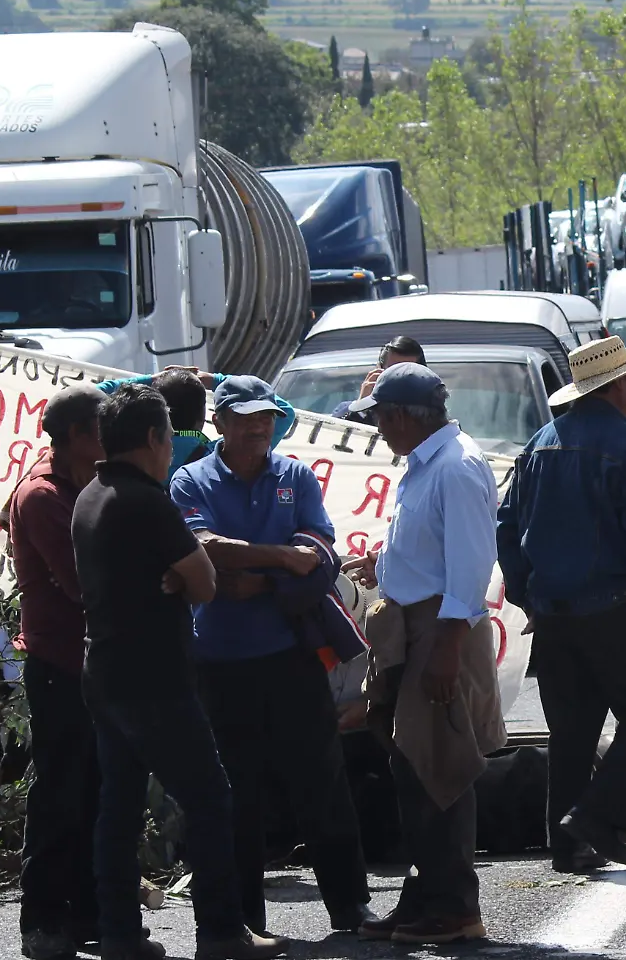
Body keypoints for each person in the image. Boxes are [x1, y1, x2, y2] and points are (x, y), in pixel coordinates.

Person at [74, 384, 283, 960]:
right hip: (155, 680)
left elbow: (174, 572)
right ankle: (221, 931)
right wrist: (179, 575)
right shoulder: (146, 500)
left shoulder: (91, 495)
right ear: (151, 439)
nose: (172, 449)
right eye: (169, 438)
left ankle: (119, 931)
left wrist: (174, 573)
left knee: (117, 807)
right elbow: (206, 582)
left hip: (106, 672)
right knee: (211, 799)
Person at [169, 377, 373, 935]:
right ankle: (243, 919)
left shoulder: (295, 475)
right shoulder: (191, 479)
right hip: (221, 662)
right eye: (245, 418)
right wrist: (283, 558)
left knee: (322, 780)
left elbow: (322, 548)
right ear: (220, 423)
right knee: (236, 791)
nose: (258, 428)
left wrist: (264, 577)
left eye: (266, 418)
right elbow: (202, 548)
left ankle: (350, 905)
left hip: (291, 656)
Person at [496, 335, 626, 871]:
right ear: (620, 385)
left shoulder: (539, 445)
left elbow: (506, 529)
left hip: (554, 613)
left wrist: (527, 594)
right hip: (619, 607)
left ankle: (569, 843)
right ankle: (594, 819)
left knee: (573, 729)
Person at [338, 364, 505, 946]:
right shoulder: (426, 462)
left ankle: (455, 906)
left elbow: (469, 565)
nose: (379, 430)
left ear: (403, 416)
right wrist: (386, 563)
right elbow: (434, 548)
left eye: (382, 419)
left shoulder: (456, 467)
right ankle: (425, 898)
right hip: (416, 627)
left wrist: (446, 650)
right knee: (411, 768)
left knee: (440, 770)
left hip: (440, 630)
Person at [10, 384, 107, 960]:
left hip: (97, 662)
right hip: (60, 664)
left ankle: (86, 912)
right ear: (74, 436)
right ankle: (42, 921)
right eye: (100, 431)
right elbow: (81, 583)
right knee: (58, 798)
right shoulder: (43, 496)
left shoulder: (91, 484)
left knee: (97, 793)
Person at [97, 367, 294, 471]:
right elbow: (287, 412)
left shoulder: (138, 452)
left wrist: (152, 378)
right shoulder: (216, 456)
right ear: (205, 417)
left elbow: (95, 394)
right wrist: (214, 380)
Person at [335, 336, 427, 424]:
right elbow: (331, 435)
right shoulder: (348, 409)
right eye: (393, 371)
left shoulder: (432, 415)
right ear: (379, 372)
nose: (400, 380)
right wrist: (361, 407)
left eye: (407, 373)